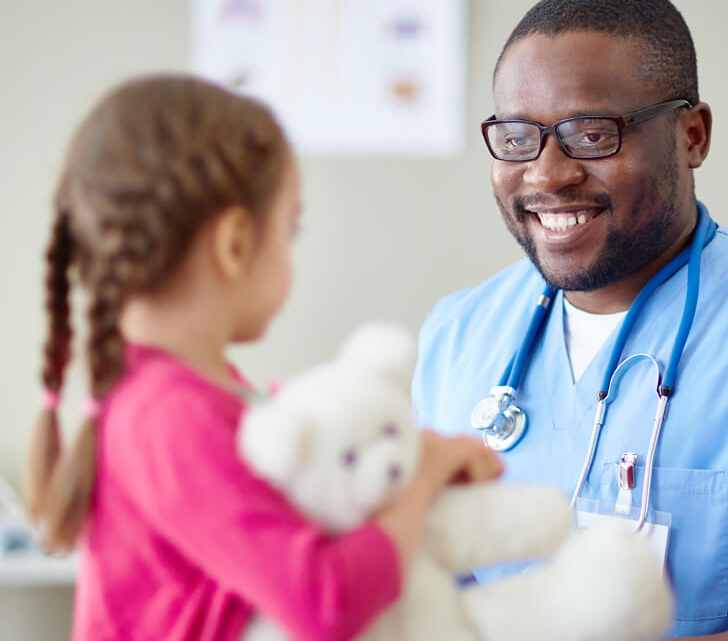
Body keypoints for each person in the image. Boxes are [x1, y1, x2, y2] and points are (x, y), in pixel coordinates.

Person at [412, 0, 728, 639]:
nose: (546, 173)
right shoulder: (459, 335)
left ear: (692, 135)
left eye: (592, 134)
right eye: (517, 136)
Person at [23, 75, 503, 641]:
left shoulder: (189, 395)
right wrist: (420, 478)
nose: (290, 251)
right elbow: (327, 600)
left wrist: (423, 466)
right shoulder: (168, 417)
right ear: (233, 244)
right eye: (289, 229)